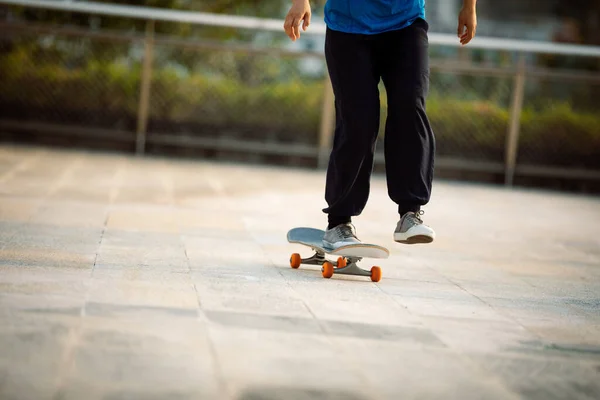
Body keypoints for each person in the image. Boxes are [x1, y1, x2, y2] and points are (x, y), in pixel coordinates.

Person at [284, 0, 477, 247]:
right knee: (358, 121)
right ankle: (339, 221)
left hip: (405, 23)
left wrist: (469, 7)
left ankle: (410, 212)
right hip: (348, 27)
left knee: (410, 106)